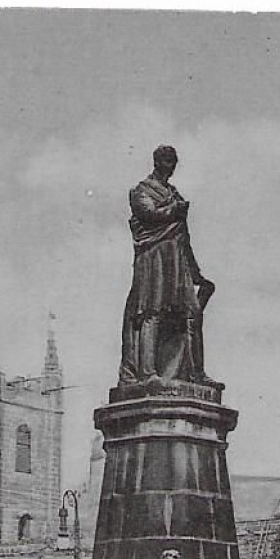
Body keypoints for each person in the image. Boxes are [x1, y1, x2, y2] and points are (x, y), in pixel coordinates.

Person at [119, 144, 217, 386]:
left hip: (177, 260)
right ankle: (147, 372)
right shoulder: (141, 190)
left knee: (192, 313)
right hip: (153, 259)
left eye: (174, 162)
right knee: (152, 311)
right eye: (167, 161)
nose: (171, 166)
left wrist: (197, 275)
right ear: (157, 162)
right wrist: (175, 210)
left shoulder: (174, 193)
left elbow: (184, 237)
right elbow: (149, 215)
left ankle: (196, 373)